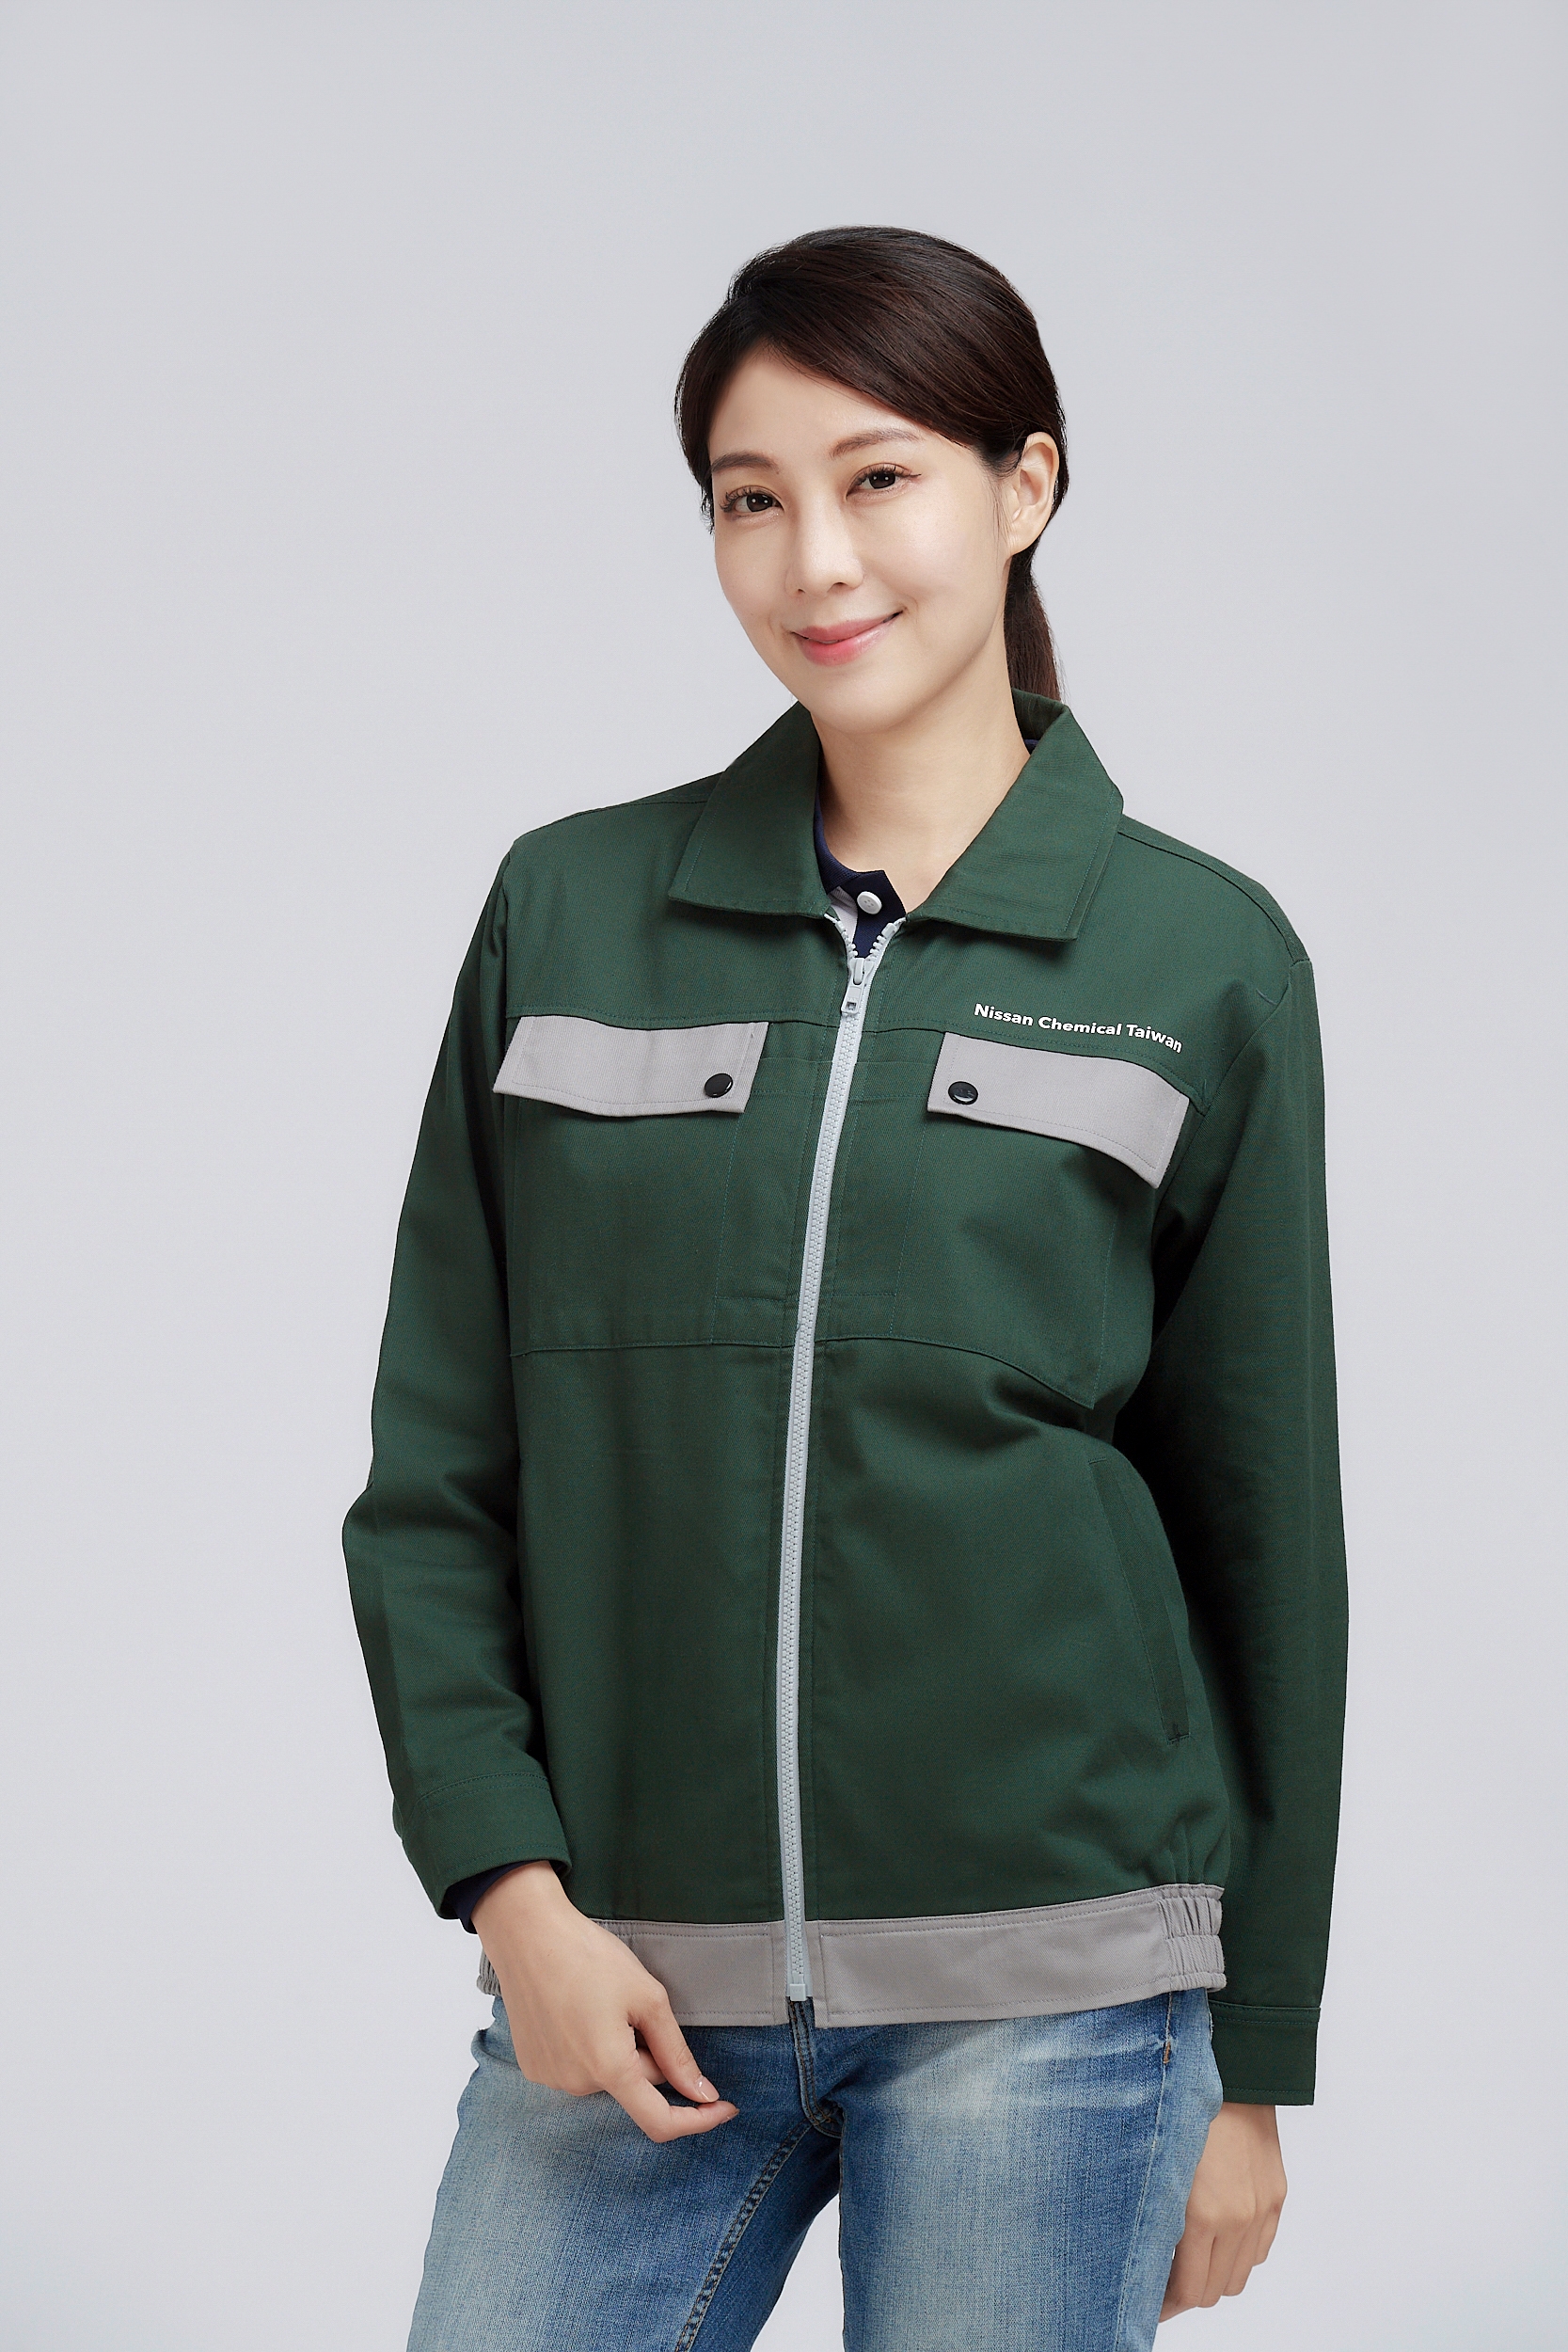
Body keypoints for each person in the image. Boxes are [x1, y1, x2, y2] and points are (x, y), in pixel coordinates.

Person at [343, 226, 1348, 2352]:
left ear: (1025, 483)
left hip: (1056, 2000)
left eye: (879, 476)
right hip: (625, 1981)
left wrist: (1255, 2060)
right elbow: (438, 1470)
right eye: (749, 495)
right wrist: (511, 1894)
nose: (815, 558)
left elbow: (1266, 1543)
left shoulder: (1201, 958)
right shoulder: (568, 913)